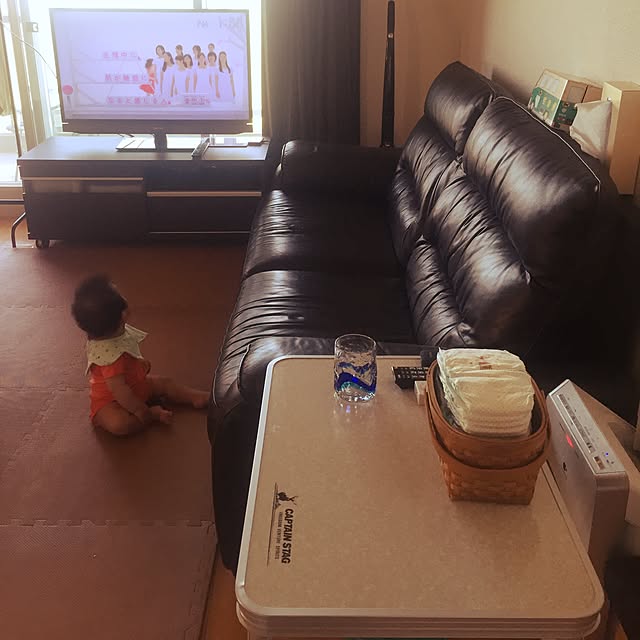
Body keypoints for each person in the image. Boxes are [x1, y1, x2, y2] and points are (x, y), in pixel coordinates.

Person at [71, 275, 209, 437]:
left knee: (165, 383)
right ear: (123, 315)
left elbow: (129, 356)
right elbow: (120, 392)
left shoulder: (104, 332)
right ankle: (153, 415)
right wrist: (142, 411)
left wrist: (140, 365)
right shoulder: (109, 359)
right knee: (119, 424)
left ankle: (194, 396)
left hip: (137, 385)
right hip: (111, 401)